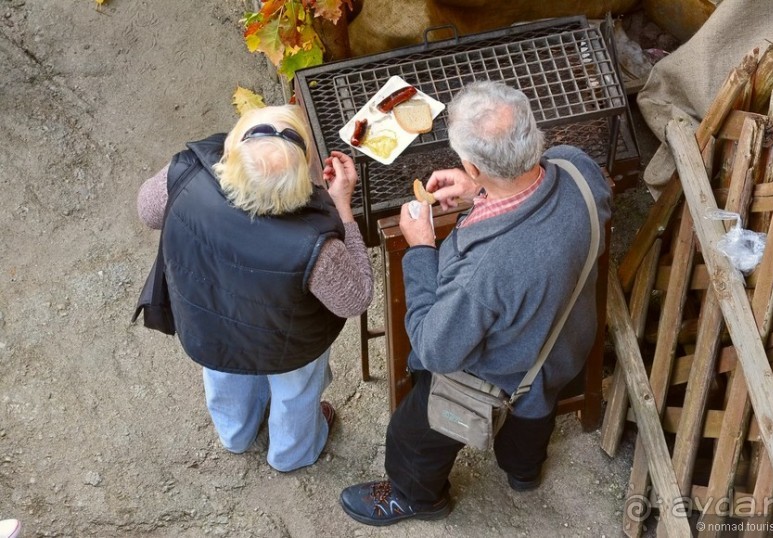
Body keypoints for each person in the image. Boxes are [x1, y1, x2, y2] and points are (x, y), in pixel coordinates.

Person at [339, 80, 612, 525]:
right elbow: (570, 202)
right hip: (565, 346)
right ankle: (523, 473)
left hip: (501, 372)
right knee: (532, 414)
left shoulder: (484, 271)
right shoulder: (577, 166)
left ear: (474, 164)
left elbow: (434, 348)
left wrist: (422, 248)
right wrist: (477, 190)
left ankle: (417, 497)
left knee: (411, 433)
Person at [137, 104, 373, 472]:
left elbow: (147, 211)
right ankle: (291, 454)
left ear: (232, 152)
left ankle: (236, 434)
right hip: (288, 340)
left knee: (224, 375)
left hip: (210, 318)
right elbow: (354, 298)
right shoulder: (315, 243)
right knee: (295, 393)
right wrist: (344, 208)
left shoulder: (184, 174)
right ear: (303, 180)